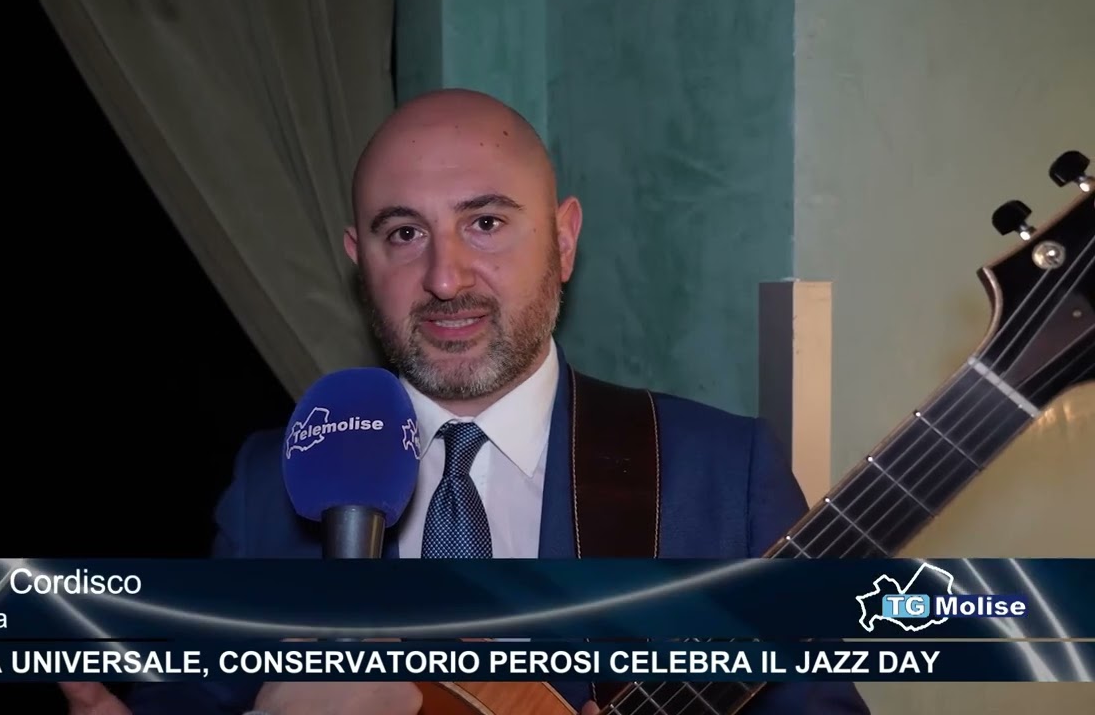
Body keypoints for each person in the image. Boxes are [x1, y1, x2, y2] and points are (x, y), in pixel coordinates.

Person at [60, 88, 870, 715]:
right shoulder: (273, 488)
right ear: (359, 259)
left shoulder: (721, 476)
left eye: (484, 223)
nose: (445, 278)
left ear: (563, 240)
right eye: (404, 234)